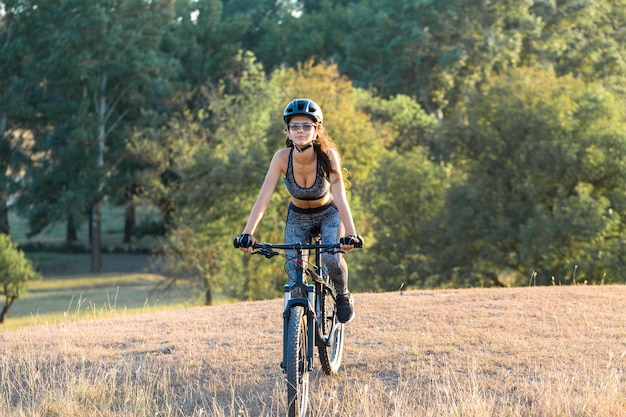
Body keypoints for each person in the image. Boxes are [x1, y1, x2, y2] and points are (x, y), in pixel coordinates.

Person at [237, 98, 362, 323]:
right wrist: (248, 233)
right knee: (295, 273)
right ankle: (298, 332)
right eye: (295, 126)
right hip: (298, 217)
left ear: (316, 129)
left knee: (331, 259)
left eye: (306, 126)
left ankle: (343, 295)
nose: (300, 130)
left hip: (328, 213)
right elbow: (263, 198)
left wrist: (350, 234)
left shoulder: (327, 155)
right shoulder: (281, 158)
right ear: (287, 130)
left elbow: (341, 197)